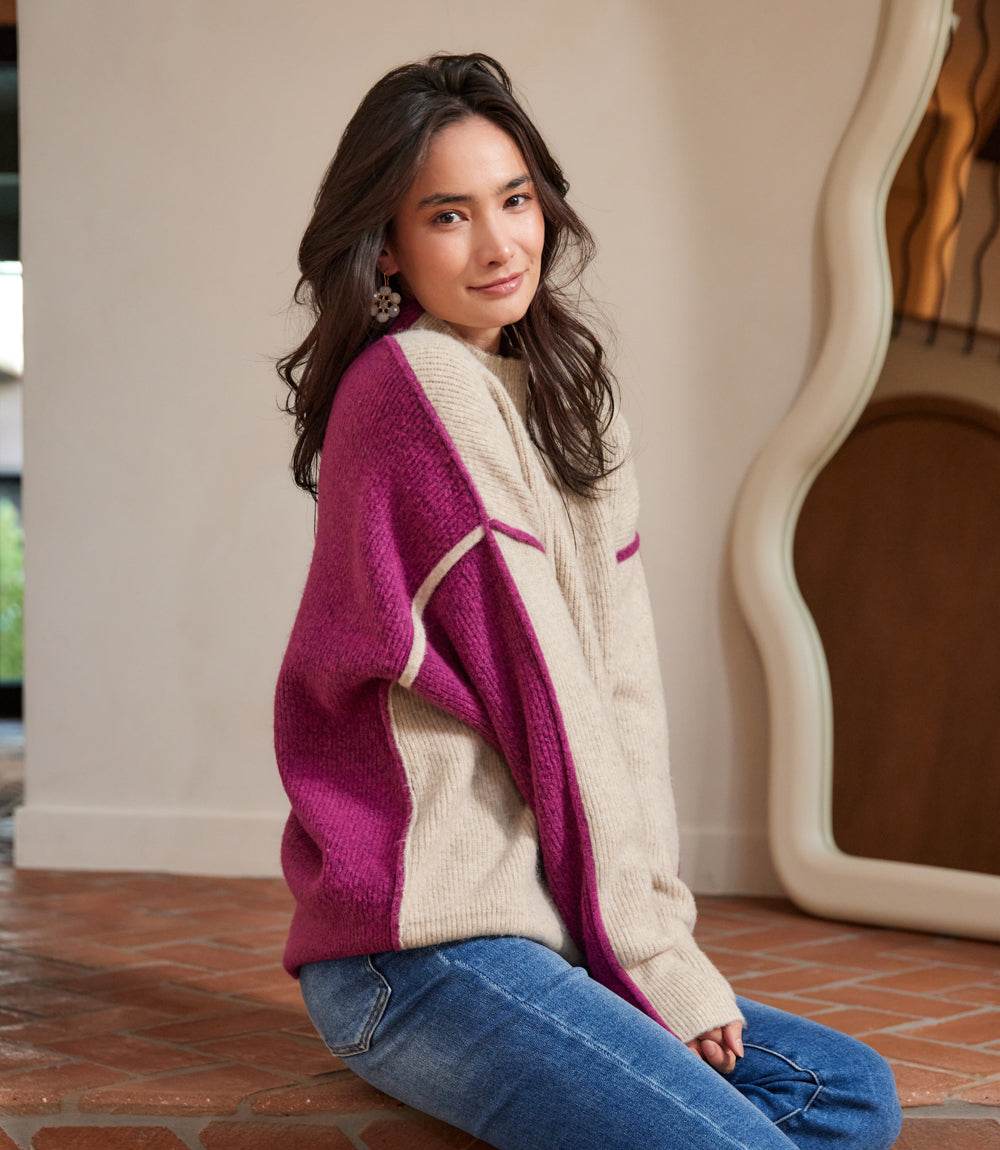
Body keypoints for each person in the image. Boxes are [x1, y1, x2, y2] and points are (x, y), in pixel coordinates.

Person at [272, 51, 904, 1150]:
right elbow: (552, 707)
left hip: (544, 928)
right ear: (387, 246)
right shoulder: (415, 388)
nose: (500, 241)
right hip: (415, 948)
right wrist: (658, 968)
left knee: (848, 1096)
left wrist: (650, 943)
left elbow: (622, 689)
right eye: (449, 216)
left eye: (514, 200)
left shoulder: (565, 395)